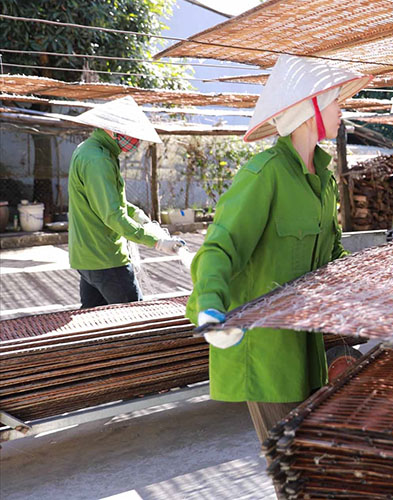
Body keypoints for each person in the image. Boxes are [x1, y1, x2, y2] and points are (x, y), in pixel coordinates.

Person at [185, 56, 372, 466]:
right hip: (265, 350)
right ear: (309, 110)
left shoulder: (322, 179)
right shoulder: (264, 173)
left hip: (304, 342)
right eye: (334, 101)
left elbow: (331, 255)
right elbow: (219, 248)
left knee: (311, 459)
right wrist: (211, 308)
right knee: (293, 465)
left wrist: (371, 281)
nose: (342, 109)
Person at [68, 97, 185, 309]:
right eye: (130, 134)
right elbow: (112, 215)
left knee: (94, 319)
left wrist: (137, 214)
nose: (135, 141)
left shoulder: (88, 149)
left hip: (87, 257)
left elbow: (103, 200)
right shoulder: (98, 160)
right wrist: (156, 242)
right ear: (112, 130)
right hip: (106, 259)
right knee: (134, 321)